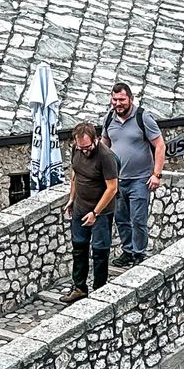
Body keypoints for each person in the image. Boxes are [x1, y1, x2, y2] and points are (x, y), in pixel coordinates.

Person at [101, 81, 165, 269]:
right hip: (117, 180)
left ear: (130, 98)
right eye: (114, 100)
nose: (118, 103)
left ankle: (139, 252)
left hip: (140, 179)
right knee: (121, 218)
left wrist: (157, 174)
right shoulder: (109, 118)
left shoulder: (143, 118)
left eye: (121, 99)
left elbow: (160, 145)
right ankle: (127, 251)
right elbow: (105, 145)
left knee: (138, 219)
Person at [63, 121, 119, 302]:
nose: (84, 151)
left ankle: (99, 289)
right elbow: (75, 174)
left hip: (101, 211)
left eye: (87, 147)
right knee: (79, 247)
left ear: (95, 140)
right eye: (81, 148)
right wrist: (72, 198)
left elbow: (112, 188)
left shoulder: (106, 156)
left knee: (100, 250)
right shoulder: (76, 149)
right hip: (80, 206)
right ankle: (79, 287)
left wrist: (95, 213)